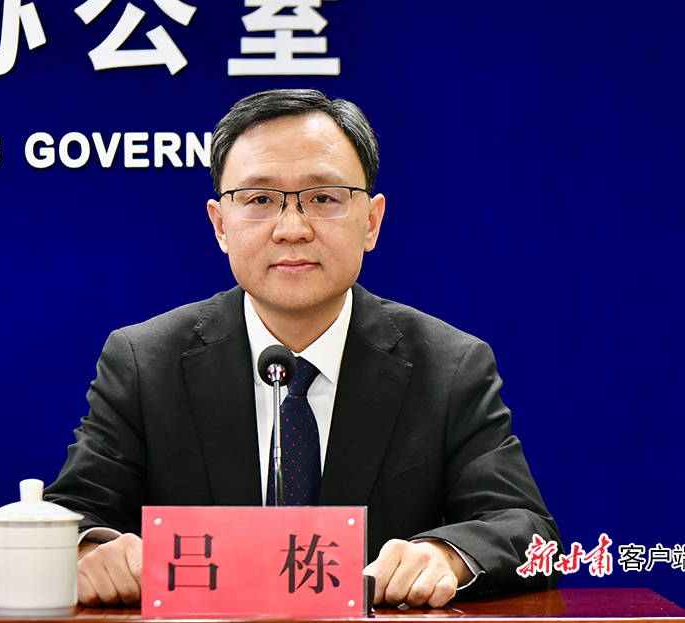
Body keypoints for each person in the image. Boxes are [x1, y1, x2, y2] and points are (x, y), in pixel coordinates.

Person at [44, 89, 560, 609]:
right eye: (260, 200)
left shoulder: (449, 366)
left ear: (372, 221)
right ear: (220, 225)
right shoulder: (144, 362)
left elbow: (524, 528)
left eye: (324, 198)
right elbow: (73, 511)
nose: (292, 229)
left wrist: (443, 555)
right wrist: (94, 549)